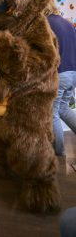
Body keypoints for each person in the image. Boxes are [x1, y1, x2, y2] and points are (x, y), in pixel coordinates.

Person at [48, 15, 76, 156]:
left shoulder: (46, 23)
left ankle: (59, 153)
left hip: (61, 73)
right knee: (64, 109)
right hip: (73, 72)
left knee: (53, 113)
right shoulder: (68, 24)